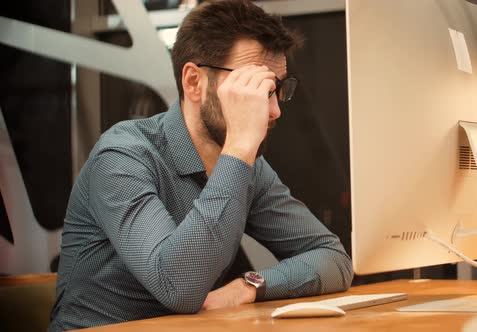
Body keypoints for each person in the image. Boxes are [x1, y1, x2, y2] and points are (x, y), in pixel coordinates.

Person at [48, 0, 353, 330]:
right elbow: (177, 286)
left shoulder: (250, 167)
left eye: (276, 89)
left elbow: (332, 258)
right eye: (251, 88)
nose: (275, 110)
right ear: (194, 82)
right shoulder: (123, 156)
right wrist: (238, 147)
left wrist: (249, 286)